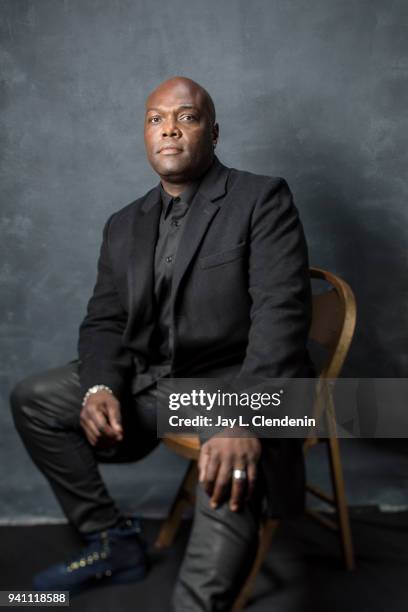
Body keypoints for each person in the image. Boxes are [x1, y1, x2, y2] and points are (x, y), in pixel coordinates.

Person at [10, 76, 314, 611]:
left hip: (234, 388)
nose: (169, 128)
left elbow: (281, 316)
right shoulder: (123, 223)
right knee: (35, 396)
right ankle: (111, 540)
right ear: (145, 134)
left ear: (213, 132)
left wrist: (243, 415)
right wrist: (100, 385)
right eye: (155, 119)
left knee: (221, 505)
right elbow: (103, 320)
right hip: (155, 385)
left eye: (186, 117)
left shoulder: (261, 198)